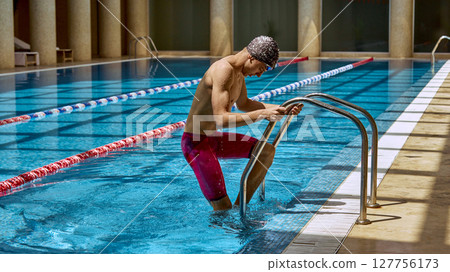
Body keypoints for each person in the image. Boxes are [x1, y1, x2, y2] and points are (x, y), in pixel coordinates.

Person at [181, 36, 303, 211]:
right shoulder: (224, 70)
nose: (260, 74)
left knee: (265, 152)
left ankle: (240, 210)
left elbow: (244, 104)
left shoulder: (238, 74)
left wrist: (282, 108)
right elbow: (221, 118)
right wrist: (263, 113)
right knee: (222, 209)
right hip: (196, 143)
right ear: (251, 58)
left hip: (213, 139)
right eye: (261, 68)